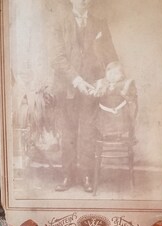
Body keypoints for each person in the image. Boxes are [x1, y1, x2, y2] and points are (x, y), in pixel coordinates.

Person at [48, 0, 118, 192]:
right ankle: (68, 175)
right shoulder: (59, 23)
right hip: (67, 87)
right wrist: (77, 81)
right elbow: (57, 58)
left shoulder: (99, 23)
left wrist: (105, 79)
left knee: (88, 132)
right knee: (68, 132)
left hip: (91, 89)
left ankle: (86, 175)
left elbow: (111, 56)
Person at [93, 61, 137, 137]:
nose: (112, 76)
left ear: (122, 76)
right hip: (104, 114)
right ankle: (105, 133)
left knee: (122, 121)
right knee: (101, 121)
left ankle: (118, 133)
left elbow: (132, 97)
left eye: (116, 74)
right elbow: (92, 90)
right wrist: (94, 91)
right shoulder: (101, 83)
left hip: (120, 114)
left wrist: (125, 94)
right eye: (109, 73)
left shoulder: (125, 84)